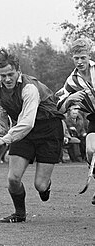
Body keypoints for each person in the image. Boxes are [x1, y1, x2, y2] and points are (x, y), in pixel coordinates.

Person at [0, 48, 64, 223]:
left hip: (48, 130)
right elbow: (0, 124)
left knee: (40, 185)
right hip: (23, 133)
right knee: (13, 178)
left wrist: (3, 140)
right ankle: (19, 214)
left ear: (18, 71)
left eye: (10, 74)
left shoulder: (29, 88)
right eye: (3, 75)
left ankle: (45, 186)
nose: (7, 79)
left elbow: (27, 122)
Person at [56, 38, 95, 205]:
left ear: (89, 56)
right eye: (76, 58)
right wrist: (71, 98)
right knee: (91, 150)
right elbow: (59, 108)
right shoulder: (71, 81)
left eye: (83, 57)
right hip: (93, 117)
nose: (80, 62)